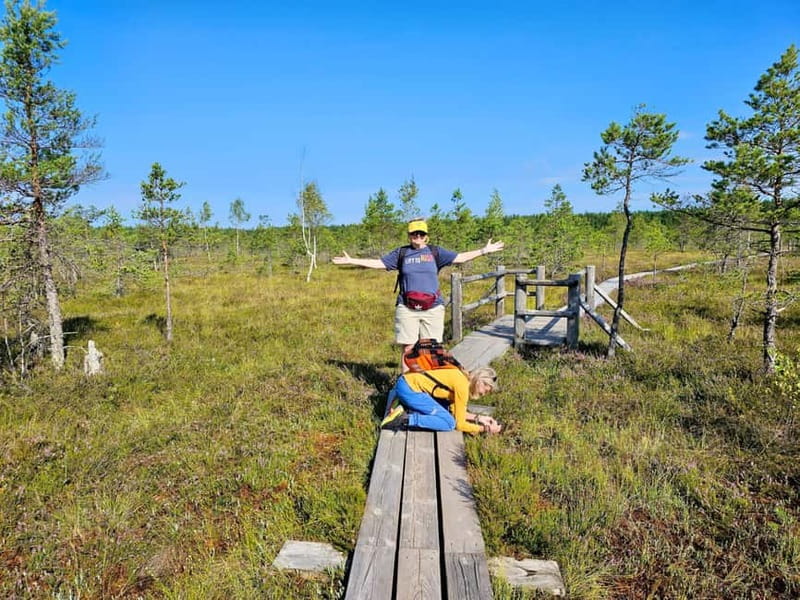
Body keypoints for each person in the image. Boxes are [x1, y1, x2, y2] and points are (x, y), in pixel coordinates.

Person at [332, 218, 504, 363]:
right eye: (414, 234)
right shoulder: (401, 253)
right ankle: (408, 386)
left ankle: (428, 384)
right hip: (407, 308)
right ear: (409, 235)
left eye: (421, 234)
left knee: (431, 349)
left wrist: (484, 250)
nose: (418, 237)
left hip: (433, 307)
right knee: (408, 348)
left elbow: (460, 258)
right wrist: (352, 260)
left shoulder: (436, 252)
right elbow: (380, 263)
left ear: (426, 236)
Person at [380, 366, 503, 434]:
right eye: (486, 390)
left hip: (404, 383)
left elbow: (455, 411)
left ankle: (404, 405)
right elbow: (458, 425)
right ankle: (403, 419)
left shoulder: (462, 375)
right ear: (480, 381)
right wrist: (485, 429)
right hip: (409, 391)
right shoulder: (463, 388)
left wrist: (479, 418)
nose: (484, 394)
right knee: (449, 423)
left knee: (446, 412)